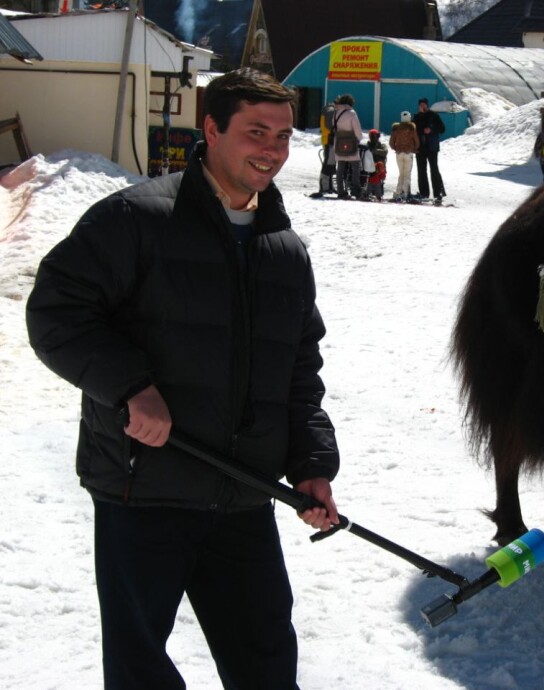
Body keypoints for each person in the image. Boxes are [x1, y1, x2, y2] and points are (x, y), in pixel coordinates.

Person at [25, 68, 340, 689]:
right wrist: (130, 387)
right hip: (146, 490)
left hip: (245, 491)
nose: (272, 150)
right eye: (256, 132)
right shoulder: (134, 220)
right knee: (142, 668)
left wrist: (311, 463)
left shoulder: (284, 248)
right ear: (212, 130)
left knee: (267, 662)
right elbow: (56, 315)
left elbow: (300, 368)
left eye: (282, 136)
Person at [413, 97, 447, 199]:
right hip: (420, 147)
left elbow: (442, 128)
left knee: (434, 170)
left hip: (432, 147)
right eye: (421, 104)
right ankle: (424, 193)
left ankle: (438, 192)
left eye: (424, 104)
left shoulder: (433, 115)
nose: (422, 106)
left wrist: (431, 130)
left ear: (427, 105)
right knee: (421, 171)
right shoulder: (417, 117)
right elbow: (413, 129)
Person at [332, 93, 364, 199]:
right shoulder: (352, 113)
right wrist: (359, 138)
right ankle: (355, 189)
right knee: (355, 167)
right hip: (351, 143)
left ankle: (341, 191)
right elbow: (357, 129)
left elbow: (334, 127)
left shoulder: (336, 113)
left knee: (340, 168)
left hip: (339, 143)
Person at [389, 110, 420, 200]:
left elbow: (391, 143)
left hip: (399, 154)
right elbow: (417, 142)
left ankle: (398, 192)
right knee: (407, 174)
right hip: (408, 153)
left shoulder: (396, 128)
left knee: (401, 173)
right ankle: (405, 194)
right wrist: (414, 149)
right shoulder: (412, 128)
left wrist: (396, 148)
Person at [366, 128, 389, 200]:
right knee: (374, 172)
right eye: (372, 136)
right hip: (369, 166)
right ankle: (376, 194)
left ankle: (368, 192)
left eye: (376, 136)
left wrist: (374, 151)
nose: (375, 138)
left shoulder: (382, 145)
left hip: (379, 167)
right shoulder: (367, 145)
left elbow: (385, 152)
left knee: (378, 168)